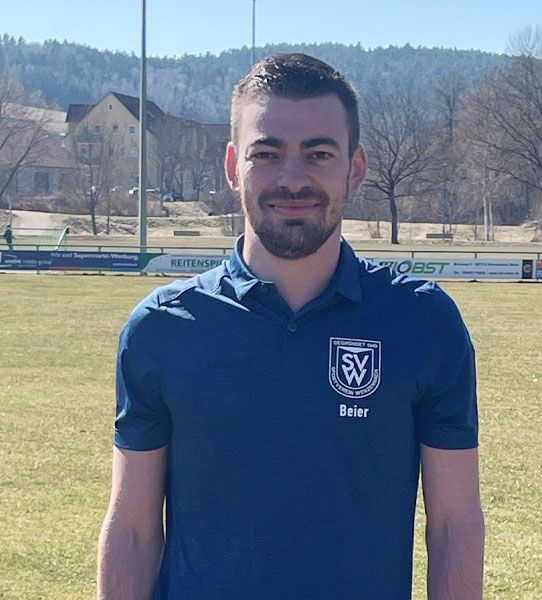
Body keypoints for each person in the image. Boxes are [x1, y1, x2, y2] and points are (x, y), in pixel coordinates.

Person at [98, 53, 484, 600]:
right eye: (267, 153)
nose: (293, 178)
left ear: (355, 167)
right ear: (233, 165)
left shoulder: (423, 322)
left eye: (319, 153)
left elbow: (454, 525)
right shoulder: (162, 328)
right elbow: (133, 532)